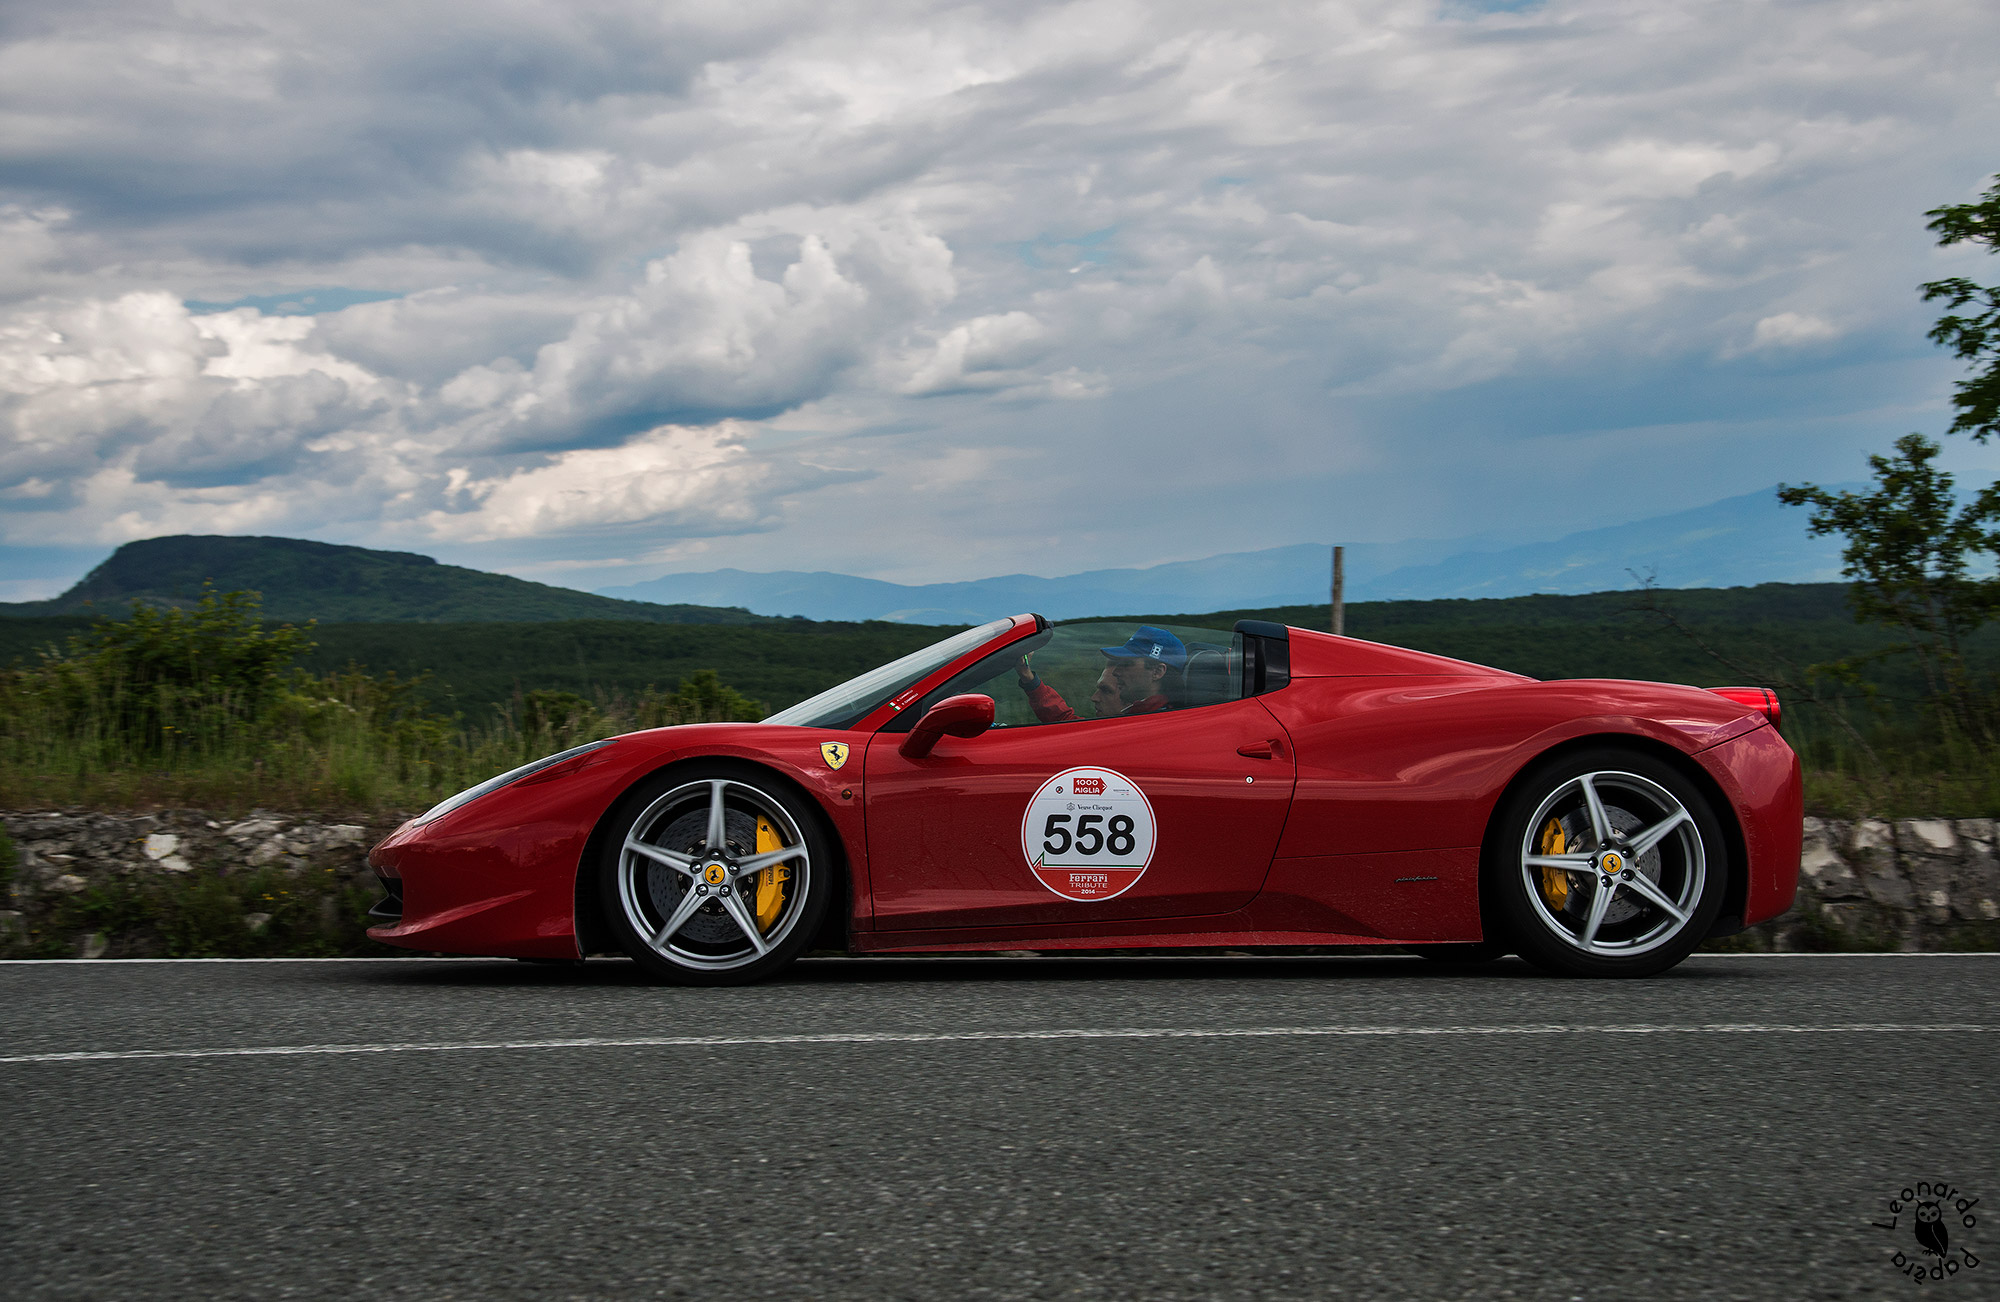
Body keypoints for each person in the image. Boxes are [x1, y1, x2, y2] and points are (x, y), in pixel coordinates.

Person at [1015, 625, 1186, 724]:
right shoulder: (1142, 716)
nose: (1117, 672)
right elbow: (1073, 728)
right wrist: (1030, 680)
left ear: (1157, 672)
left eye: (1127, 664)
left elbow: (1077, 735)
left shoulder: (1151, 725)